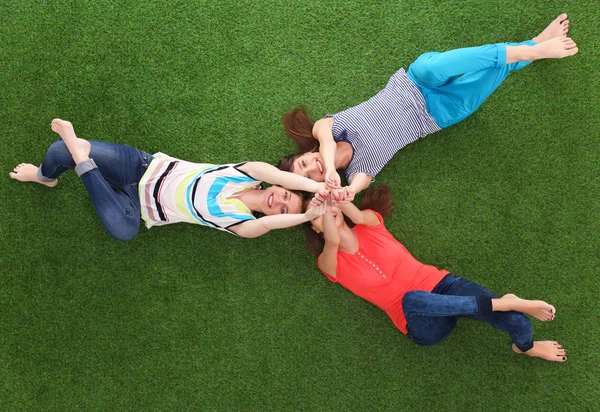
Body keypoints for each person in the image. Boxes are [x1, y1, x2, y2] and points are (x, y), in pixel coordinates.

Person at [280, 14, 577, 201]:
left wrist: (329, 166)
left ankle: (535, 49)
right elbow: (359, 183)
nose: (312, 168)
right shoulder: (358, 170)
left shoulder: (326, 129)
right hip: (438, 114)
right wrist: (347, 191)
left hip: (416, 81)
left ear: (307, 153)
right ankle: (535, 45)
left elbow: (326, 144)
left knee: (462, 60)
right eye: (309, 178)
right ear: (318, 186)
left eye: (304, 163)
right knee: (493, 70)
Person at [304, 186, 567, 362]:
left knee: (517, 322)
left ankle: (526, 347)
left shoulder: (370, 224)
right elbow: (333, 241)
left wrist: (333, 197)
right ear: (316, 229)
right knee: (412, 299)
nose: (326, 214)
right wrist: (324, 209)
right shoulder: (329, 262)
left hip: (443, 286)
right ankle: (505, 300)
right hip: (420, 321)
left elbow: (357, 215)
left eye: (329, 209)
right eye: (317, 216)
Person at [9, 119, 326, 241]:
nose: (280, 202)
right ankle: (45, 177)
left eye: (284, 211)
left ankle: (82, 160)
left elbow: (269, 226)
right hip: (141, 168)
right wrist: (317, 187)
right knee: (56, 149)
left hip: (138, 207)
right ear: (281, 186)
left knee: (123, 230)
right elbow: (279, 174)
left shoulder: (242, 224)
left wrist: (309, 215)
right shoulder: (249, 172)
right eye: (287, 195)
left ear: (276, 218)